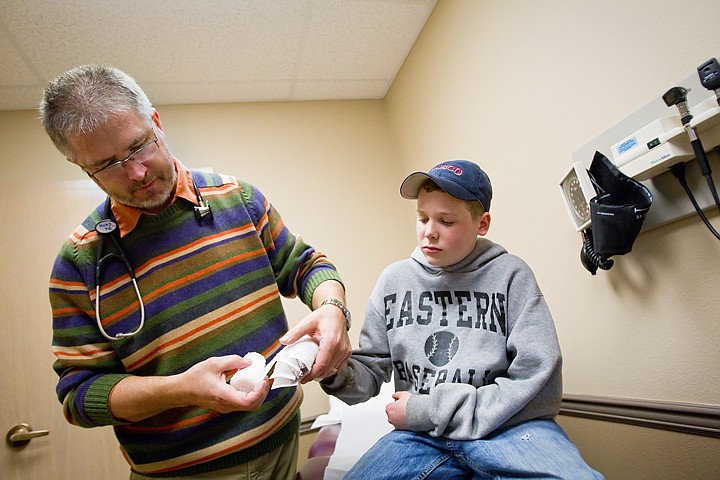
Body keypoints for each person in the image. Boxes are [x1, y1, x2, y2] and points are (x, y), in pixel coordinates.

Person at [40, 64, 352, 479]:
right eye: (107, 165)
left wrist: (332, 308)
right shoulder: (78, 265)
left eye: (138, 147)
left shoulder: (236, 196)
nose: (136, 172)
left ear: (155, 122)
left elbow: (307, 265)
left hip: (283, 441)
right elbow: (79, 397)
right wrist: (179, 389)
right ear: (80, 165)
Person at [320, 160, 604, 479]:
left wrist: (425, 410)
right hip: (421, 436)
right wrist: (330, 363)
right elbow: (369, 374)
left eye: (446, 221)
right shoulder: (394, 281)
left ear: (482, 224)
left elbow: (536, 382)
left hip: (507, 427)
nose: (429, 232)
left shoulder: (511, 276)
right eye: (423, 218)